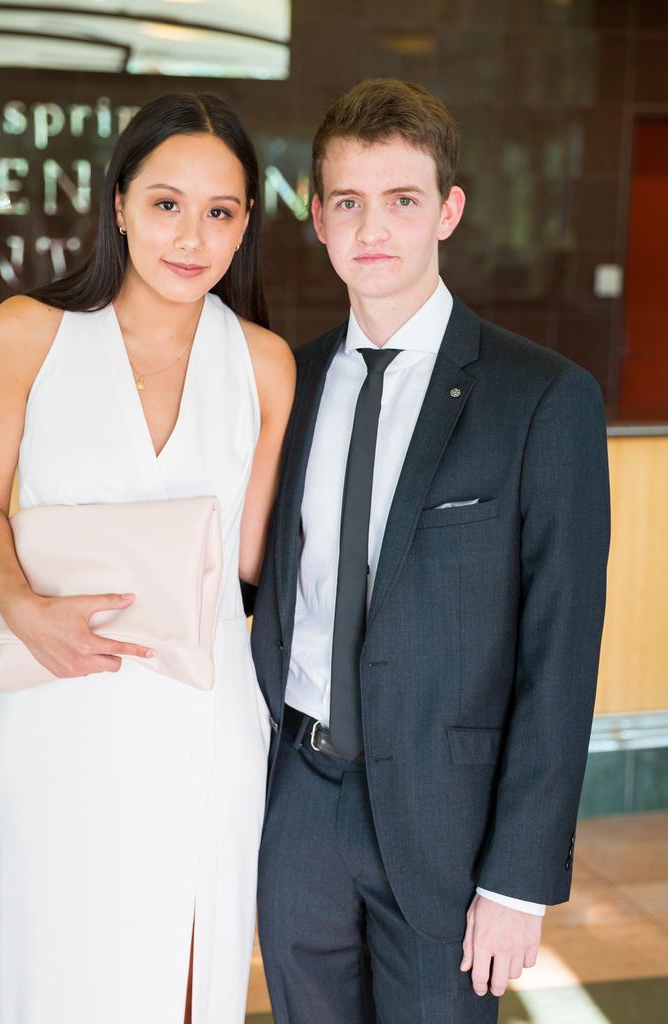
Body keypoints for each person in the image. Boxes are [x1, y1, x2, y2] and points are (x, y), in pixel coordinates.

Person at [251, 78, 610, 1023]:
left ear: (447, 211)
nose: (375, 228)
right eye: (349, 202)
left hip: (449, 833)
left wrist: (519, 880)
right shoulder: (287, 382)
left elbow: (560, 651)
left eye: (403, 200)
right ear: (318, 219)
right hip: (301, 805)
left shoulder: (541, 398)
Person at [0, 92, 294, 1024]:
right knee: (67, 961)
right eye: (166, 203)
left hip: (206, 709)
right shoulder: (28, 331)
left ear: (244, 227)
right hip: (61, 701)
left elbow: (251, 569)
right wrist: (25, 611)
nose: (192, 236)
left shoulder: (264, 362)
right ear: (118, 204)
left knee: (192, 970)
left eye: (219, 212)